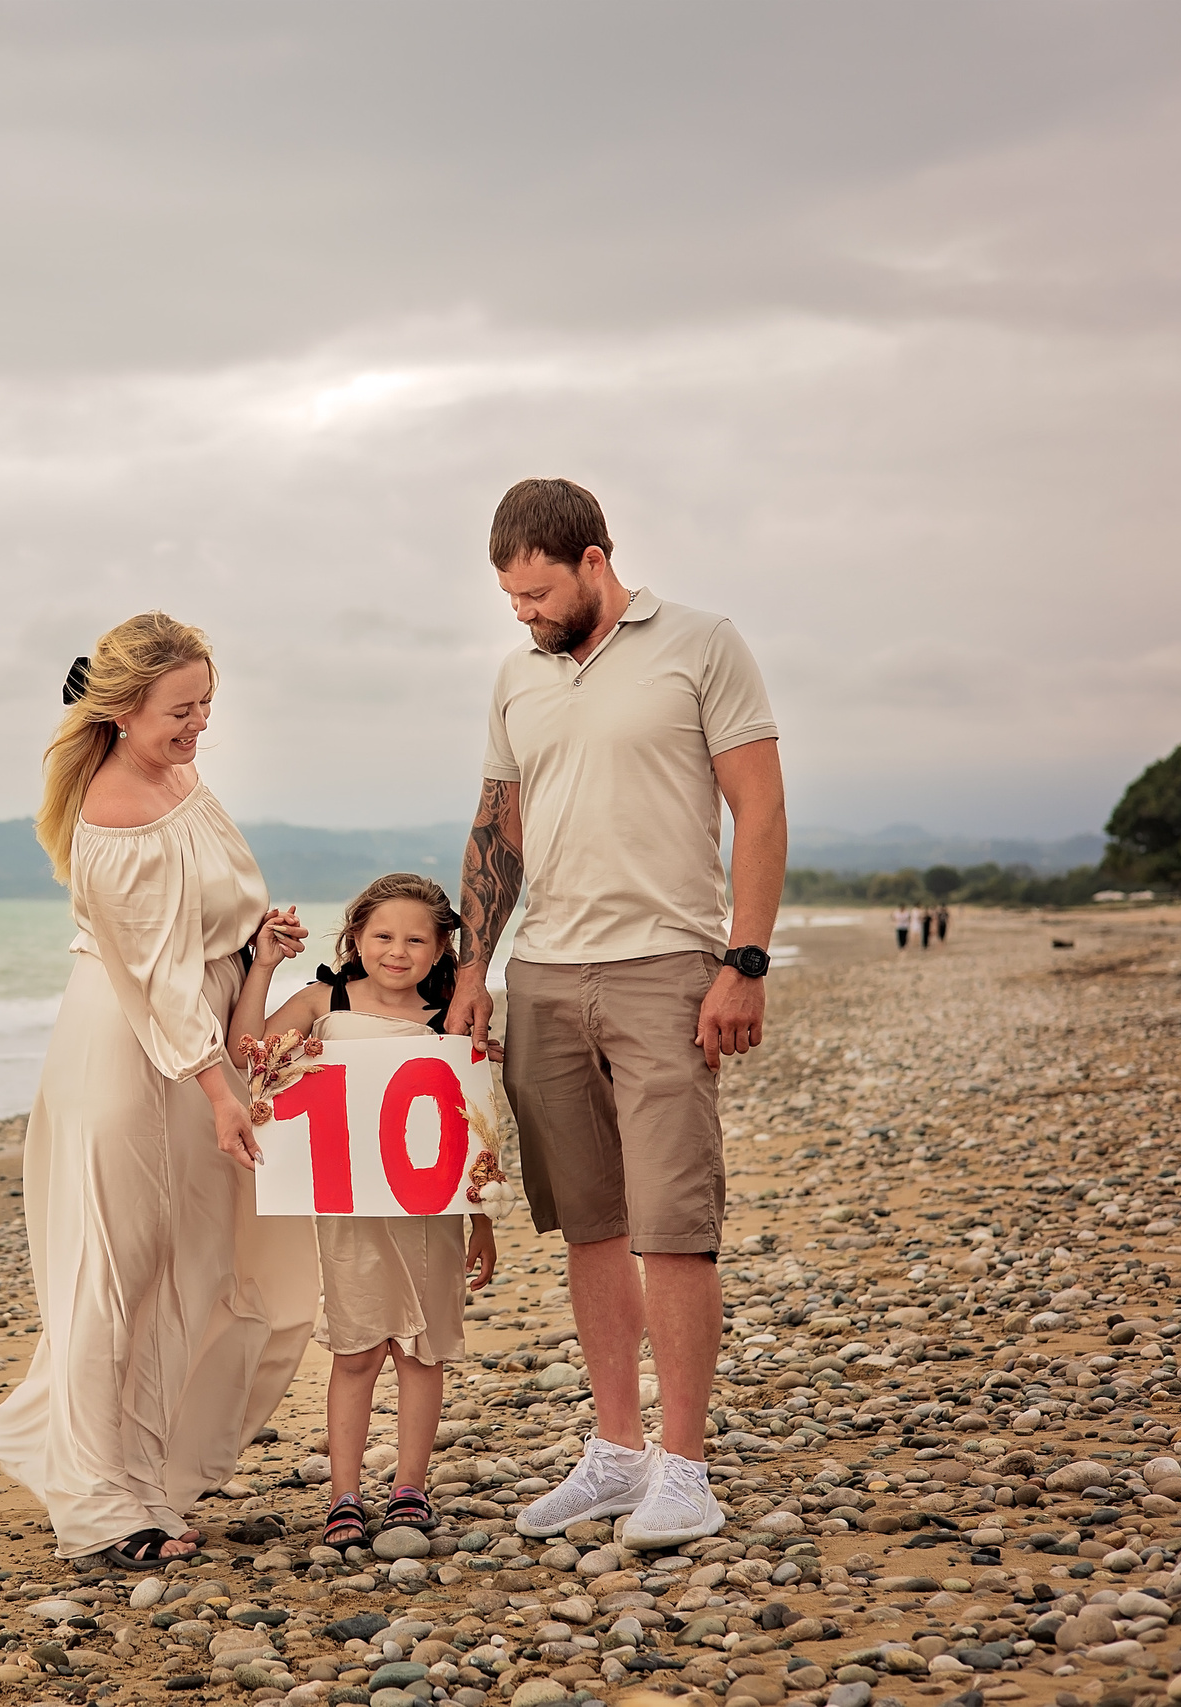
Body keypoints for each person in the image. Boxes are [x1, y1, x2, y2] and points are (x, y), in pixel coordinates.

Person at [445, 478, 785, 1552]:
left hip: (664, 968)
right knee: (587, 1221)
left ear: (593, 561)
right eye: (510, 598)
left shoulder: (701, 643)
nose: (525, 613)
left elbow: (760, 805)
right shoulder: (515, 677)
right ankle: (616, 1453)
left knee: (673, 1224)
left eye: (538, 592)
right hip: (545, 976)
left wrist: (744, 960)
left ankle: (685, 1470)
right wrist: (472, 965)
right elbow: (496, 826)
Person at [0, 612, 320, 1570]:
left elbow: (204, 927)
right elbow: (157, 983)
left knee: (200, 1260)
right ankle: (96, 1504)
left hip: (199, 1038)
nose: (200, 724)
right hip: (135, 1053)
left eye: (208, 704)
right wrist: (220, 1089)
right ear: (123, 711)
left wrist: (258, 948)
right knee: (115, 1272)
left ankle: (148, 1478)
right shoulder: (118, 810)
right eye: (182, 708)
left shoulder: (177, 776)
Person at [227, 874, 500, 1551]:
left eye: (416, 938)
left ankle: (410, 1485)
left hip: (429, 1215)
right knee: (354, 1350)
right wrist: (262, 963)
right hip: (349, 1211)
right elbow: (247, 1050)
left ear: (444, 951)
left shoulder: (450, 1021)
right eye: (383, 935)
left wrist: (485, 1220)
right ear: (355, 938)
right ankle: (343, 1493)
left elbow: (477, 1125)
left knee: (422, 1350)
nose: (398, 950)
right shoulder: (324, 1000)